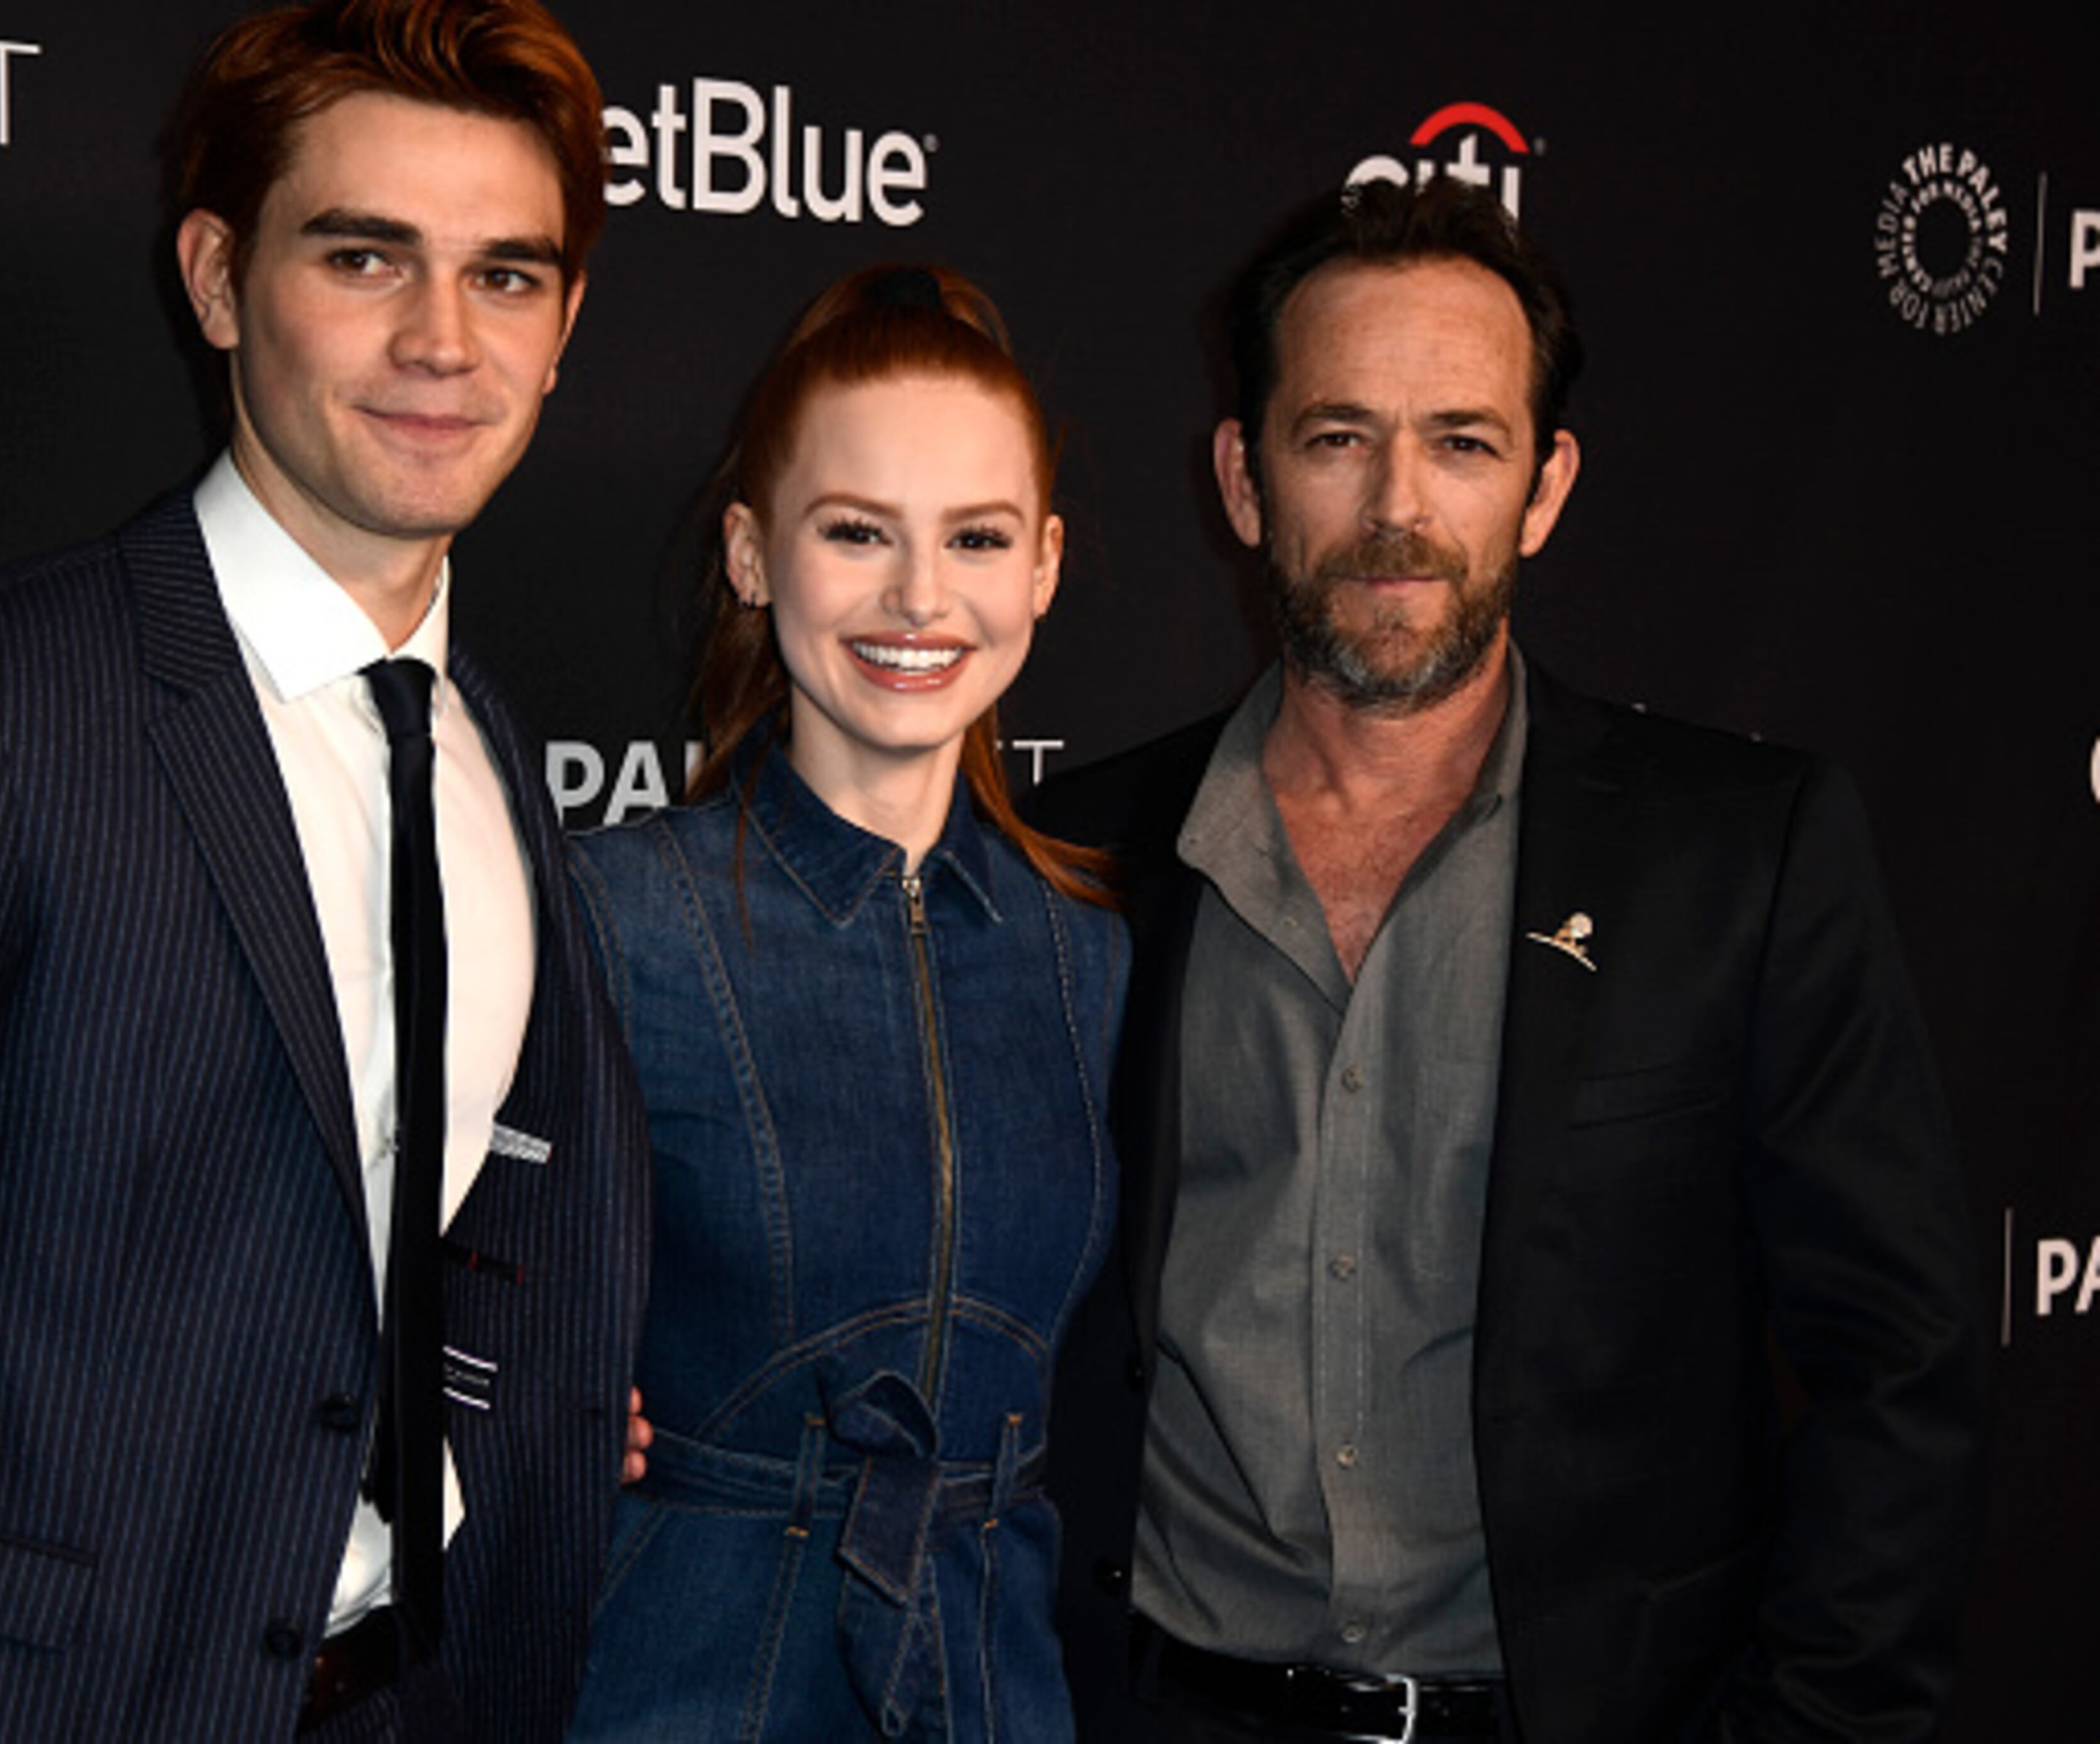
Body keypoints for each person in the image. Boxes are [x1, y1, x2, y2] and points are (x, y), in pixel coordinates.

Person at [0, 1, 649, 1738]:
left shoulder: (489, 741)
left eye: (508, 276)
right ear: (215, 279)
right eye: (365, 258)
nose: (444, 340)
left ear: (566, 325)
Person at [1033, 179, 1987, 1744]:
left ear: (1544, 489)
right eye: (1338, 437)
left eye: (1463, 442)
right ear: (1243, 478)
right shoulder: (1075, 858)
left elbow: (1904, 1376)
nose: (1398, 505)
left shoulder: (1740, 856)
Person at [560, 264, 1127, 1742]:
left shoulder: (1094, 951)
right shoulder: (614, 915)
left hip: (998, 1682)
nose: (921, 598)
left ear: (1045, 566)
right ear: (754, 555)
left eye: (977, 538)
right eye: (857, 531)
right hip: (683, 1677)